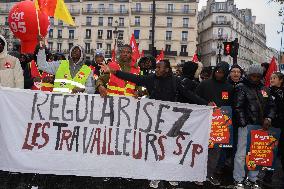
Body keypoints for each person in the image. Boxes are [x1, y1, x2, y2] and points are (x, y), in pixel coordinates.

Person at [233, 64, 275, 189]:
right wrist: (243, 123)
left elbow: (272, 106)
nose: (255, 78)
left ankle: (253, 178)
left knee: (257, 153)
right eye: (253, 76)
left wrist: (269, 118)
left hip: (261, 127)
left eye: (258, 76)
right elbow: (237, 106)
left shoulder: (265, 89)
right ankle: (238, 178)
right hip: (246, 126)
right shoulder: (241, 87)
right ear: (249, 75)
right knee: (241, 154)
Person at [195, 61, 233, 186]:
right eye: (217, 71)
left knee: (215, 152)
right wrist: (206, 103)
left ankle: (209, 174)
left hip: (219, 125)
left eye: (222, 72)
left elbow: (230, 106)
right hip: (204, 122)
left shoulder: (229, 87)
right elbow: (194, 98)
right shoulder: (205, 84)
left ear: (226, 73)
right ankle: (198, 175)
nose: (219, 74)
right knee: (202, 149)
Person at [262, 72, 284, 185]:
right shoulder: (267, 91)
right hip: (273, 125)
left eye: (274, 78)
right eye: (270, 78)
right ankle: (267, 176)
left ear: (281, 80)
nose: (272, 80)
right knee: (271, 151)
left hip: (282, 125)